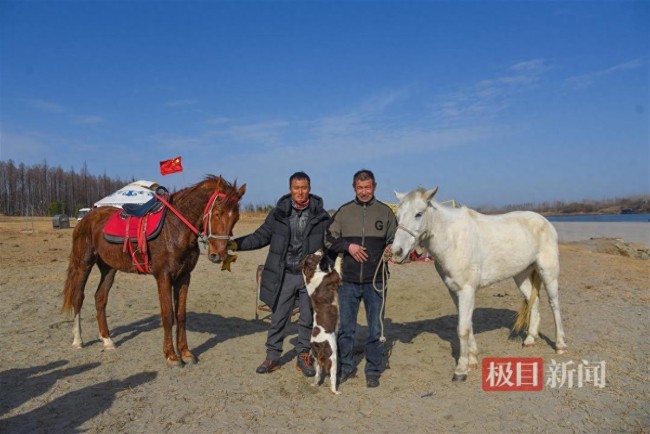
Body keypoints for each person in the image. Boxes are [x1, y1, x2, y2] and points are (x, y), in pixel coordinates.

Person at [228, 171, 330, 376]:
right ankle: (272, 357)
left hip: (309, 276)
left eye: (304, 188)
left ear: (309, 189)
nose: (300, 192)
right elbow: (260, 237)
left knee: (307, 318)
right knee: (279, 317)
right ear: (290, 189)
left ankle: (303, 357)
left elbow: (331, 243)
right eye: (296, 188)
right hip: (285, 274)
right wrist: (234, 244)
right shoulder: (278, 214)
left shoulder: (321, 216)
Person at [325, 169, 397, 388]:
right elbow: (328, 239)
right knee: (347, 328)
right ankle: (345, 367)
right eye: (360, 187)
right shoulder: (344, 212)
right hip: (348, 282)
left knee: (376, 328)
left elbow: (397, 240)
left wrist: (391, 249)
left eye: (367, 187)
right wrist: (349, 246)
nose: (364, 191)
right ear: (354, 187)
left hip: (376, 281)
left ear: (374, 186)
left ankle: (373, 370)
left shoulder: (386, 213)